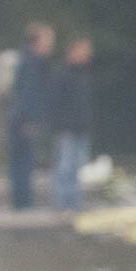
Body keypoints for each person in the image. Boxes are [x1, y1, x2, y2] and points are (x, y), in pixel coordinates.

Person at [6, 22, 54, 211]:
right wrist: (28, 120)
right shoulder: (32, 62)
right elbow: (28, 94)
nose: (50, 45)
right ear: (37, 42)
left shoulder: (25, 59)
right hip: (23, 120)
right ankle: (23, 204)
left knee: (20, 162)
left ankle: (20, 203)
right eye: (48, 40)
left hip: (17, 118)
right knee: (23, 162)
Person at [47, 35, 93, 214]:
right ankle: (62, 204)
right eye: (84, 50)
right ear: (73, 52)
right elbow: (55, 103)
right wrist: (60, 125)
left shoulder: (84, 74)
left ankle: (75, 203)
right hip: (66, 129)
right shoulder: (61, 74)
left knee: (78, 167)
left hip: (82, 128)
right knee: (65, 167)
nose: (87, 54)